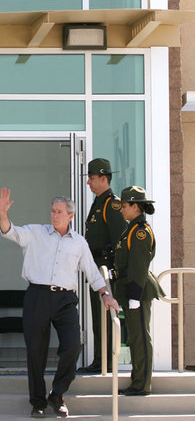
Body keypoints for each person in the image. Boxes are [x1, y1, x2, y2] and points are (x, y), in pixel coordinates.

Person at [0, 187, 118, 419]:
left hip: (65, 299)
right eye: (52, 211)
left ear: (70, 216)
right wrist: (3, 214)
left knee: (73, 346)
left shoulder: (79, 243)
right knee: (36, 352)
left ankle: (57, 394)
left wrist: (106, 294)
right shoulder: (35, 233)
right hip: (37, 296)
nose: (54, 215)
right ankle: (38, 403)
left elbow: (92, 273)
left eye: (59, 212)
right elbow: (9, 231)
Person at [113, 186, 164, 396]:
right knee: (134, 337)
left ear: (136, 207)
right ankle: (137, 380)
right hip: (132, 290)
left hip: (139, 291)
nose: (122, 209)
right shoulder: (131, 229)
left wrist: (134, 296)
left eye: (125, 206)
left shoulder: (140, 231)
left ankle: (142, 384)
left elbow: (138, 265)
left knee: (141, 337)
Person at [79, 158, 126, 374]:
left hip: (106, 269)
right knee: (98, 316)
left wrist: (115, 271)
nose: (88, 182)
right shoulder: (99, 202)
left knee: (105, 316)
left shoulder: (112, 204)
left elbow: (120, 240)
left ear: (103, 178)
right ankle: (100, 360)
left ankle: (106, 361)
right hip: (96, 266)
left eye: (91, 178)